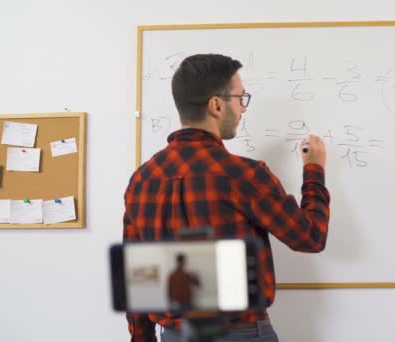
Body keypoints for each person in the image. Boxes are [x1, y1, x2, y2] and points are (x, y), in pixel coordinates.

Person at [123, 53, 330, 342]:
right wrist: (314, 170)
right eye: (240, 98)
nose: (243, 109)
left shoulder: (142, 181)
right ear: (217, 105)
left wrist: (141, 339)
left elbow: (138, 279)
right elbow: (310, 237)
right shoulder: (241, 175)